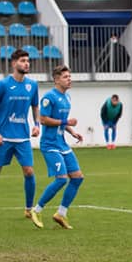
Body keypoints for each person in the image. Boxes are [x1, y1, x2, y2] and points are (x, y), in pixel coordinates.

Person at [0, 49, 40, 222]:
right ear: (14, 64)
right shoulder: (3, 84)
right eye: (22, 60)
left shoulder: (32, 85)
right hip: (3, 138)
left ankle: (29, 209)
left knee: (29, 171)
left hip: (22, 138)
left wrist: (37, 125)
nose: (26, 63)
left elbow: (35, 106)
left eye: (28, 60)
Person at [30, 66, 84, 230]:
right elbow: (44, 119)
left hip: (62, 144)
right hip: (50, 145)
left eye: (69, 76)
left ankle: (61, 213)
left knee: (77, 177)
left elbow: (62, 120)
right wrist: (67, 123)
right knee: (61, 178)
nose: (69, 79)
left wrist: (72, 132)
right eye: (66, 77)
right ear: (56, 79)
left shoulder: (66, 97)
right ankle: (36, 210)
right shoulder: (49, 98)